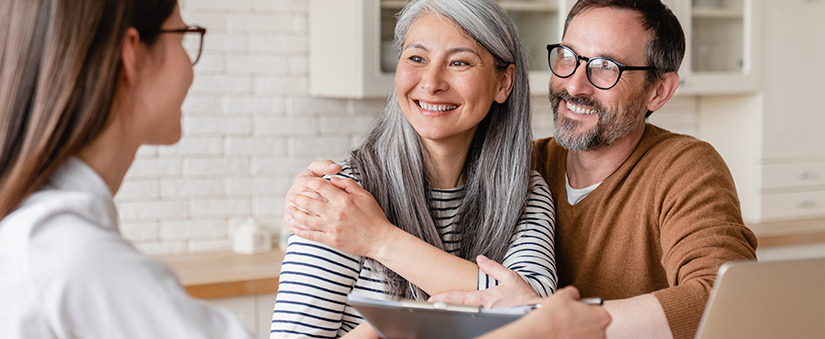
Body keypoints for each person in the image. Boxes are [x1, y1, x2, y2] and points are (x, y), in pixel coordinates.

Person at [294, 0, 758, 338]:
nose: (575, 84)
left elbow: (728, 301)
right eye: (568, 58)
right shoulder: (525, 167)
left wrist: (551, 318)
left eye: (605, 68)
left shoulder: (682, 168)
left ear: (658, 91)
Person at [271, 0, 561, 337]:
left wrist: (379, 239)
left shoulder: (523, 190)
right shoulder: (342, 199)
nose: (431, 81)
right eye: (416, 58)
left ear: (503, 83)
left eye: (459, 62)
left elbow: (534, 310)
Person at [0, 1, 258, 338]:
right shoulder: (71, 257)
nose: (191, 68)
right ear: (131, 53)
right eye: (183, 37)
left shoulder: (36, 234)